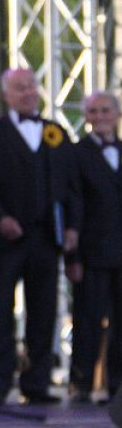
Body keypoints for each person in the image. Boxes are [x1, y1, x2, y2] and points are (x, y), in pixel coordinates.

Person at [0, 67, 78, 405]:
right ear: (6, 94)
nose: (28, 93)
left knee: (43, 311)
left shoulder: (55, 133)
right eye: (20, 87)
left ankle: (37, 382)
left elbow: (71, 186)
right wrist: (0, 218)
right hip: (6, 240)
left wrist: (72, 227)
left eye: (32, 86)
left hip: (47, 238)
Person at [66, 91, 122, 404]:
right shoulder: (76, 153)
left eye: (105, 110)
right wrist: (72, 255)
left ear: (116, 114)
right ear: (86, 117)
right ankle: (81, 382)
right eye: (92, 111)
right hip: (92, 250)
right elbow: (73, 201)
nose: (99, 116)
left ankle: (116, 385)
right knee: (87, 318)